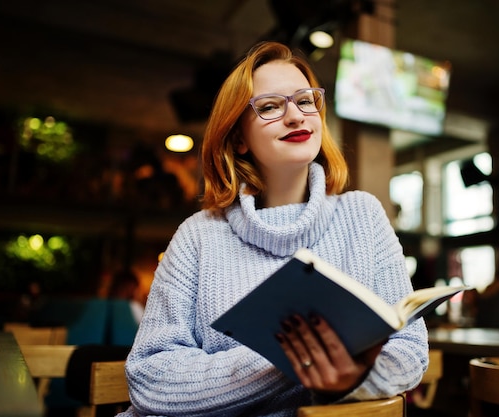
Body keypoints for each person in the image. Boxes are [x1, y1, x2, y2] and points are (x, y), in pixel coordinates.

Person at [116, 41, 428, 417]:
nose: (296, 116)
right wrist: (291, 360)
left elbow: (409, 350)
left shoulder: (363, 215)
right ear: (239, 140)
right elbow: (150, 378)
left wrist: (349, 380)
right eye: (269, 107)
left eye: (305, 101)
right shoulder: (198, 235)